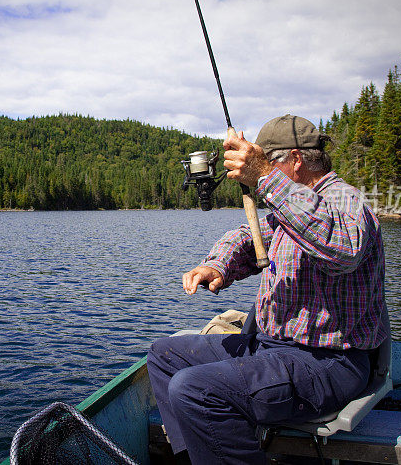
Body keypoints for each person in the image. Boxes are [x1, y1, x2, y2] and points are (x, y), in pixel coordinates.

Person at [147, 115, 388, 464]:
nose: (259, 174)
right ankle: (200, 456)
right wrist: (217, 265)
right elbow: (253, 239)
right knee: (164, 355)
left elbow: (343, 248)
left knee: (193, 389)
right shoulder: (293, 205)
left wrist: (263, 176)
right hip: (270, 348)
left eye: (269, 162)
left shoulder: (344, 200)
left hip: (328, 363)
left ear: (296, 158)